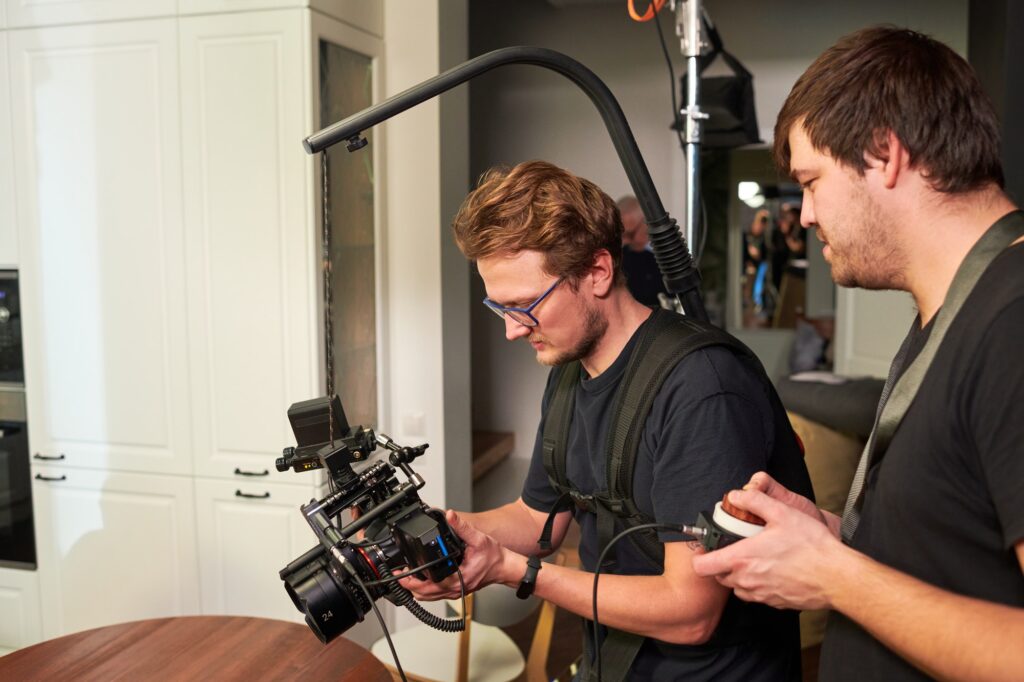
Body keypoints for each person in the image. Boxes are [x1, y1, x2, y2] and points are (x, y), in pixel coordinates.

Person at [692, 26, 1024, 682]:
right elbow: (953, 551)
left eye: (812, 181)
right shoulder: (951, 310)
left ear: (884, 153)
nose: (806, 216)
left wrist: (832, 574)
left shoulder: (1013, 320)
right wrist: (831, 536)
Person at [400, 160, 813, 680]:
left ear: (598, 271)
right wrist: (444, 529)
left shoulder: (703, 388)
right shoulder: (570, 367)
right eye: (499, 307)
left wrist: (514, 571)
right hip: (613, 662)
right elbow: (537, 522)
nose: (511, 330)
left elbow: (691, 613)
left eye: (525, 305)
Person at [616, 195, 666, 306]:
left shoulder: (667, 252)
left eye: (629, 234)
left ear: (645, 222)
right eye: (621, 235)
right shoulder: (621, 257)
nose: (624, 241)